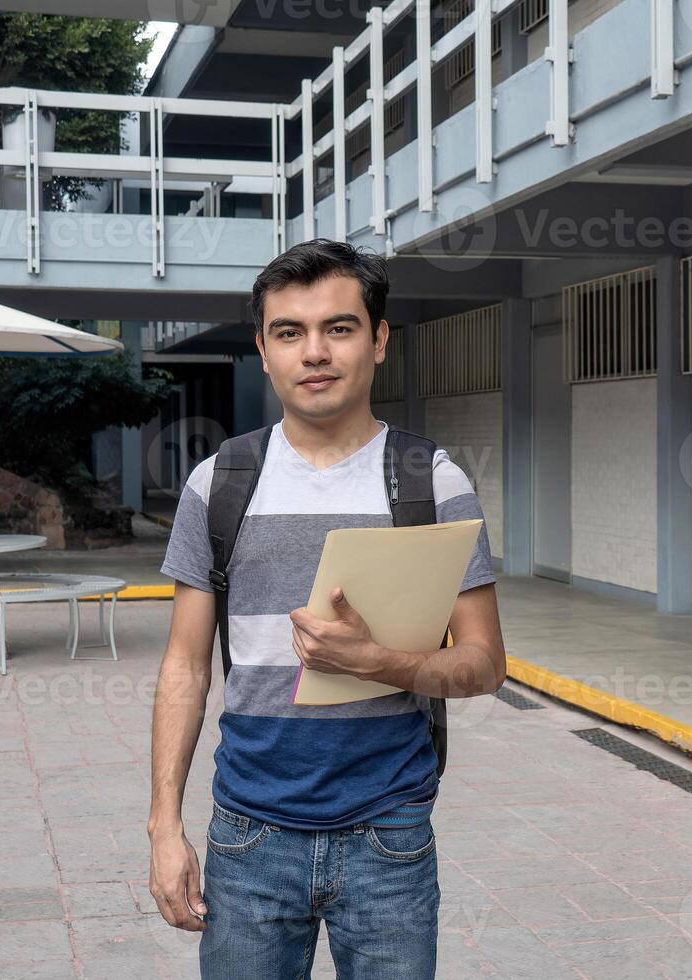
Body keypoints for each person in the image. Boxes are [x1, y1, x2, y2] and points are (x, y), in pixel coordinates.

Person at [146, 239, 507, 979]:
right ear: (264, 349)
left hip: (390, 837)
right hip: (247, 837)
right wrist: (163, 828)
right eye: (290, 332)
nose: (315, 352)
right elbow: (184, 666)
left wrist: (381, 663)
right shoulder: (219, 484)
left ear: (377, 341)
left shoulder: (431, 482)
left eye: (339, 328)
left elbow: (484, 664)